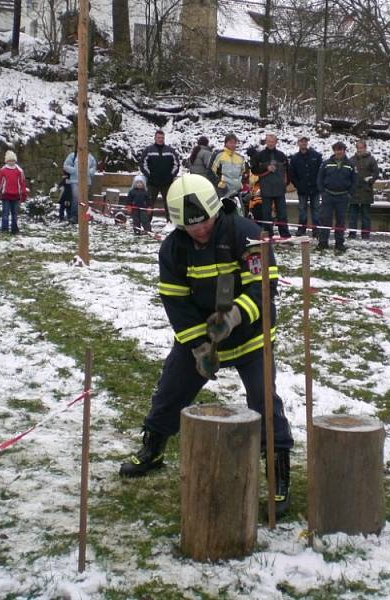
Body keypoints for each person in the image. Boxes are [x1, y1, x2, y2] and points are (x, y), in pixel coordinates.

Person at [119, 173, 294, 517]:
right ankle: (152, 447)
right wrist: (200, 346)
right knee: (170, 388)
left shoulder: (247, 235)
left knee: (263, 398)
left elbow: (264, 291)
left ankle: (278, 474)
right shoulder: (172, 249)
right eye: (189, 226)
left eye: (203, 222)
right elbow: (176, 305)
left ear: (216, 210)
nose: (199, 230)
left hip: (251, 336)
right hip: (201, 335)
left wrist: (232, 319)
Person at [317, 141, 356, 252]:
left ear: (344, 151)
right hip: (328, 196)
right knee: (325, 220)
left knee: (341, 221)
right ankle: (323, 242)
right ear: (334, 151)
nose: (339, 151)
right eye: (337, 149)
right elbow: (319, 178)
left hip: (343, 197)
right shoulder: (326, 163)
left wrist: (349, 194)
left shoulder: (350, 164)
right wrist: (322, 192)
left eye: (341, 149)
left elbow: (354, 181)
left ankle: (339, 243)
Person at [250, 133, 291, 237]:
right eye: (269, 141)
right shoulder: (260, 155)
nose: (271, 143)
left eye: (273, 142)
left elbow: (288, 170)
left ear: (276, 142)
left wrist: (286, 183)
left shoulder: (281, 155)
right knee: (266, 214)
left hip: (279, 189)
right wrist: (266, 168)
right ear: (266, 142)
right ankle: (268, 233)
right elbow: (254, 170)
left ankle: (285, 234)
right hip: (266, 189)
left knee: (282, 213)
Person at [140, 130, 181, 221]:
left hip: (167, 183)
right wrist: (149, 175)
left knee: (169, 204)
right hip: (152, 183)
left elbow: (176, 164)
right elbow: (143, 164)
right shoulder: (148, 150)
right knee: (149, 204)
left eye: (162, 138)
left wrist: (171, 175)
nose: (160, 139)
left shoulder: (170, 150)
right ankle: (146, 223)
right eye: (158, 137)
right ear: (155, 138)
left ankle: (170, 222)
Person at [288, 136, 322, 237]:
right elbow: (292, 174)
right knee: (302, 210)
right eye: (301, 142)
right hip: (302, 189)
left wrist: (318, 184)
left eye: (305, 142)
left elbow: (321, 172)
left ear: (307, 143)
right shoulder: (294, 158)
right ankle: (302, 229)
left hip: (315, 188)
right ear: (298, 143)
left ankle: (316, 230)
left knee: (316, 210)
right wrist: (298, 185)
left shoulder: (316, 156)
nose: (303, 143)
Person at [347, 140, 379, 240]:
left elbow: (376, 173)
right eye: (358, 148)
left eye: (362, 148)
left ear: (365, 148)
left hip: (366, 191)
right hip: (354, 192)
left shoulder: (371, 159)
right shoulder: (351, 160)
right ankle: (352, 234)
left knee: (366, 215)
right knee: (353, 215)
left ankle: (365, 235)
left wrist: (370, 180)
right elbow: (348, 174)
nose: (360, 150)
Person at [0, 150, 28, 234]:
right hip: (6, 195)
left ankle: (14, 229)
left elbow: (22, 183)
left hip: (16, 195)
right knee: (5, 213)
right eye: (9, 161)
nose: (11, 162)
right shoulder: (3, 170)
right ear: (6, 161)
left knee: (14, 214)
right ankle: (4, 229)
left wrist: (23, 193)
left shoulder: (19, 171)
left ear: (15, 161)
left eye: (13, 160)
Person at [63, 148, 97, 225]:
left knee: (84, 199)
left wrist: (88, 172)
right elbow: (66, 166)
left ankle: (84, 216)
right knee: (76, 198)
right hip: (75, 181)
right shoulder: (73, 155)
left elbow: (93, 168)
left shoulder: (90, 157)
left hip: (86, 182)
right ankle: (74, 216)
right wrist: (75, 170)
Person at [208, 132, 246, 198]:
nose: (233, 145)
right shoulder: (218, 155)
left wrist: (240, 184)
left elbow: (243, 173)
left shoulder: (240, 158)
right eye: (230, 142)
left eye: (234, 143)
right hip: (223, 191)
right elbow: (210, 172)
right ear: (225, 143)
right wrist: (219, 183)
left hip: (237, 191)